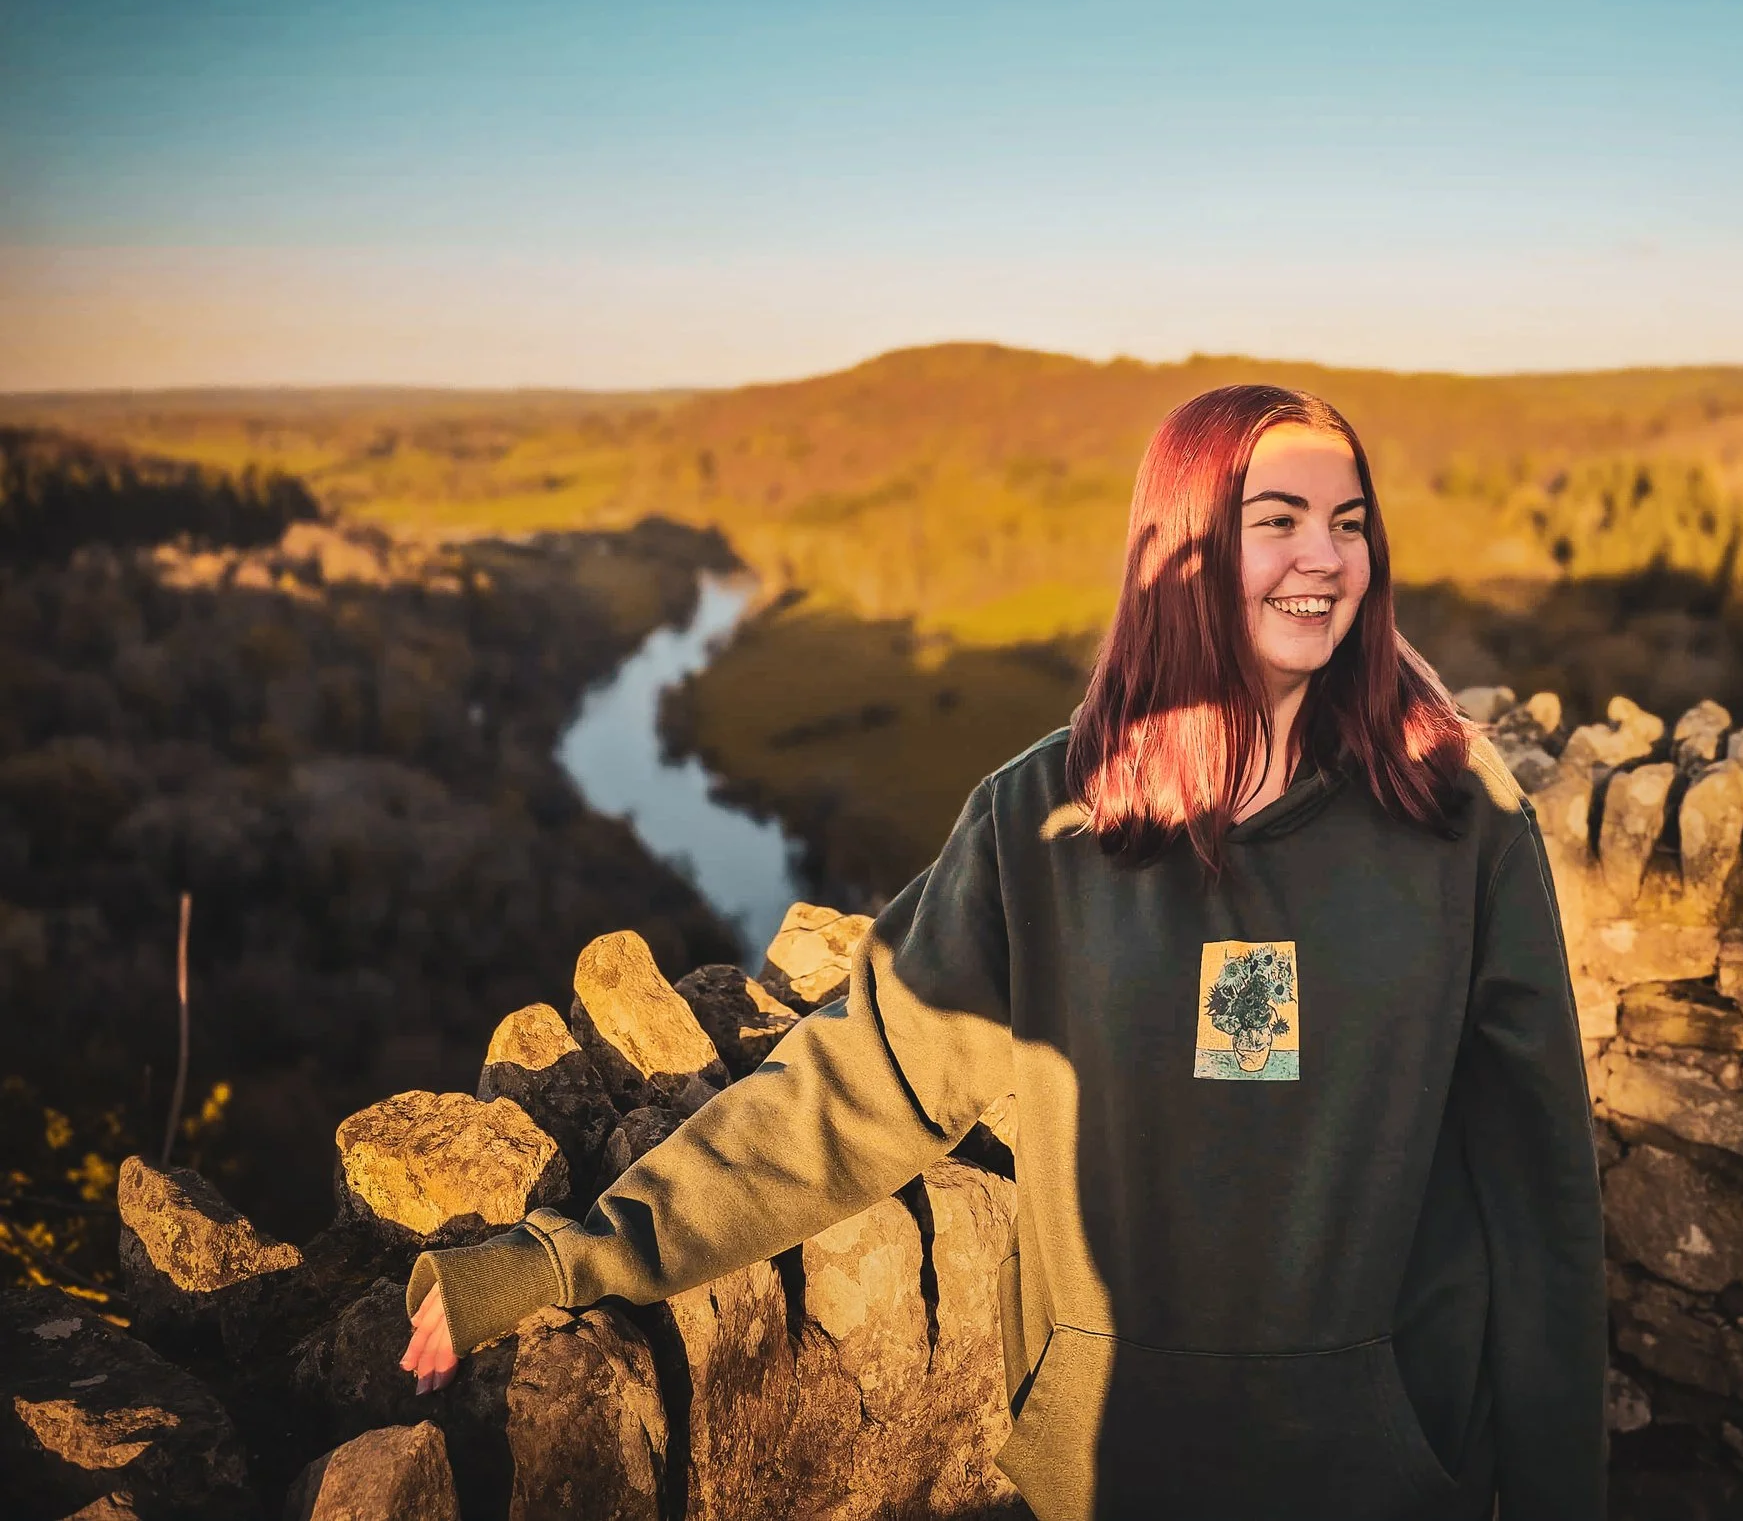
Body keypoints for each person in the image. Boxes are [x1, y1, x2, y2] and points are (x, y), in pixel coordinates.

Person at [399, 384, 1605, 1520]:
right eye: (1275, 520)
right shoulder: (1044, 824)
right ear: (1179, 552)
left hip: (1386, 1470)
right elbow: (851, 1089)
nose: (1324, 559)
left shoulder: (1453, 814)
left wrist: (1556, 1494)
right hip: (1116, 1466)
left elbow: (1534, 1175)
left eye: (1348, 524)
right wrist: (560, 1261)